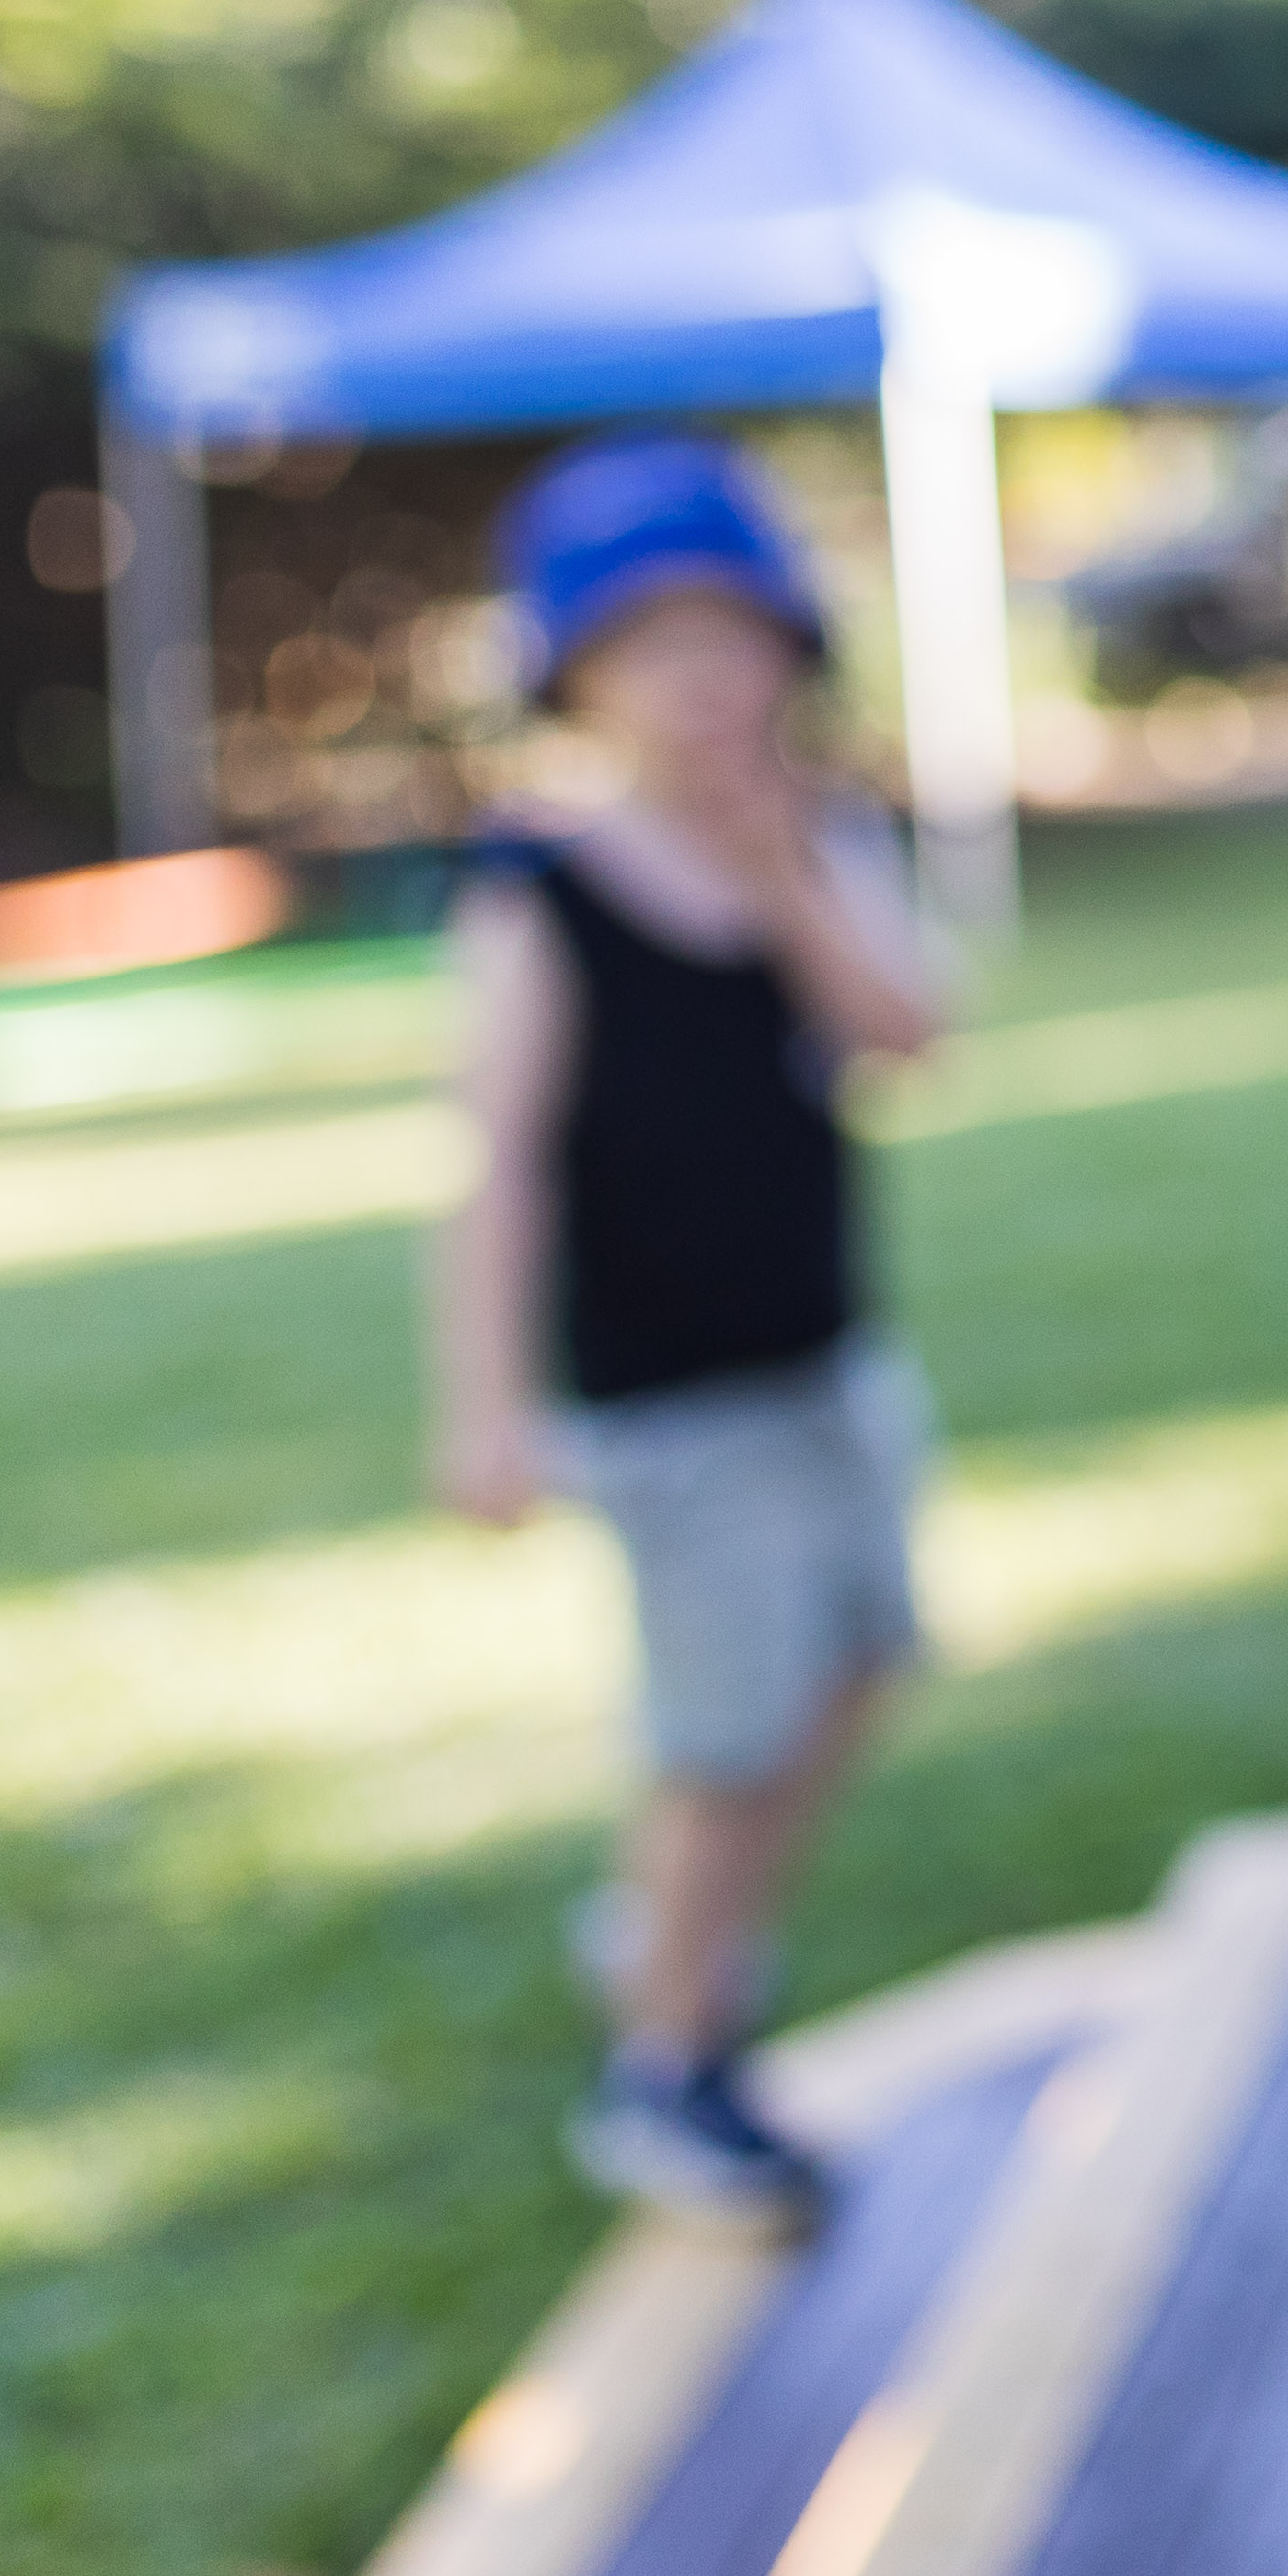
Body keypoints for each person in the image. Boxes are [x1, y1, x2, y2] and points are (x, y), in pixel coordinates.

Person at [427, 431, 943, 2226]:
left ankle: (672, 1928)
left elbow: (908, 1031)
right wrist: (483, 1403)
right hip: (671, 1396)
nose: (705, 681)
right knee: (722, 1730)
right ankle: (668, 2060)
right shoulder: (544, 896)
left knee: (864, 1652)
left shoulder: (822, 839)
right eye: (654, 648)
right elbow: (494, 1161)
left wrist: (789, 874)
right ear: (577, 679)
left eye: (735, 639)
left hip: (828, 1354)